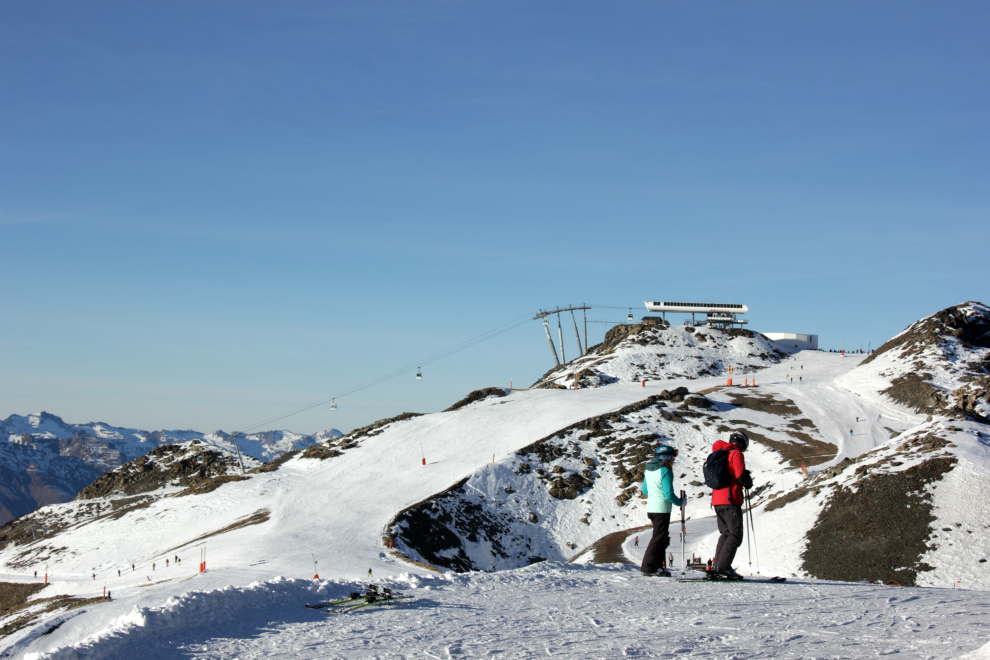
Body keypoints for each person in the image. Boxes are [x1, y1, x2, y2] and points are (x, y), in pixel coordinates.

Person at [711, 431, 753, 579]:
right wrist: (748, 482)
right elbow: (740, 475)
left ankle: (717, 566)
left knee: (726, 533)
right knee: (735, 534)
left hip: (717, 500)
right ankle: (723, 567)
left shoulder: (720, 453)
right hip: (730, 499)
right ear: (742, 443)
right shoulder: (736, 454)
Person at [640, 445, 683, 577]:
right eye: (672, 457)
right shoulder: (665, 471)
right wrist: (681, 502)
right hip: (662, 509)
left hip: (652, 508)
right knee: (658, 538)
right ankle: (648, 568)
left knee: (661, 537)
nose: (674, 460)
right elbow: (669, 494)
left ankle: (658, 566)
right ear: (667, 457)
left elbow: (645, 491)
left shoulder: (649, 470)